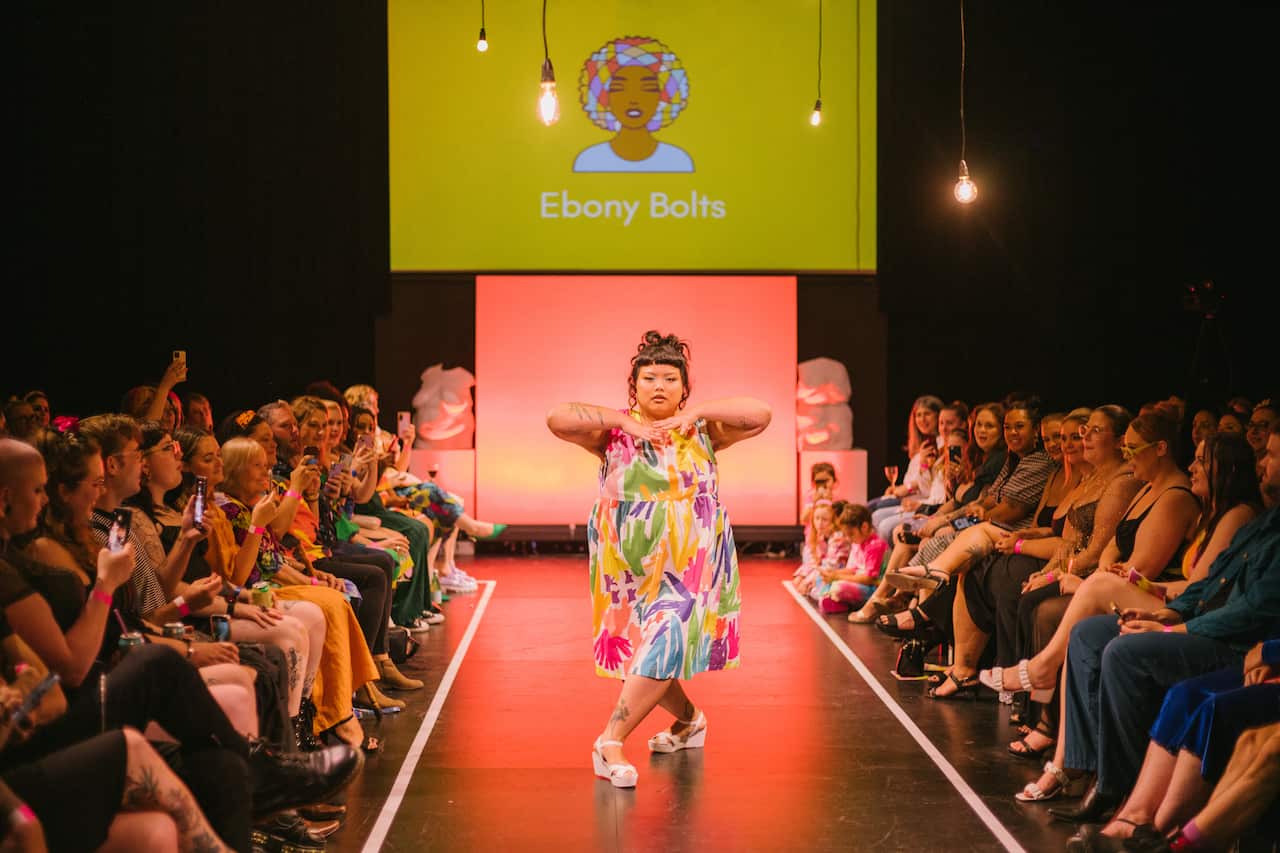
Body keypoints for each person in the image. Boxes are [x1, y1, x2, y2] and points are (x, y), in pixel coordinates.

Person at [546, 331, 770, 788]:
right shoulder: (611, 434)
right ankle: (690, 721)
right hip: (626, 566)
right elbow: (557, 418)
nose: (660, 386)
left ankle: (609, 741)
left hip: (690, 565)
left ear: (684, 387)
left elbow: (760, 414)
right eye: (649, 378)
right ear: (635, 385)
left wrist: (700, 411)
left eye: (670, 378)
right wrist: (623, 423)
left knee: (666, 638)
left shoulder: (702, 430)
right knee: (648, 653)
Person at [1042, 420, 1280, 826]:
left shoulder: (1241, 515)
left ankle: (1120, 787)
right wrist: (1164, 614)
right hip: (1200, 620)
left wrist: (1173, 628)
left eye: (1271, 455)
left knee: (1124, 651)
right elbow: (1207, 587)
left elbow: (1253, 611)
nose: (1263, 462)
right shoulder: (1263, 524)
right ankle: (1087, 770)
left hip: (1237, 644)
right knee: (1089, 631)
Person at [572, 38, 693, 173]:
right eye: (620, 88)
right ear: (604, 98)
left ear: (663, 97)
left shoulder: (677, 161)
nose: (633, 99)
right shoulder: (588, 161)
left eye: (647, 88)